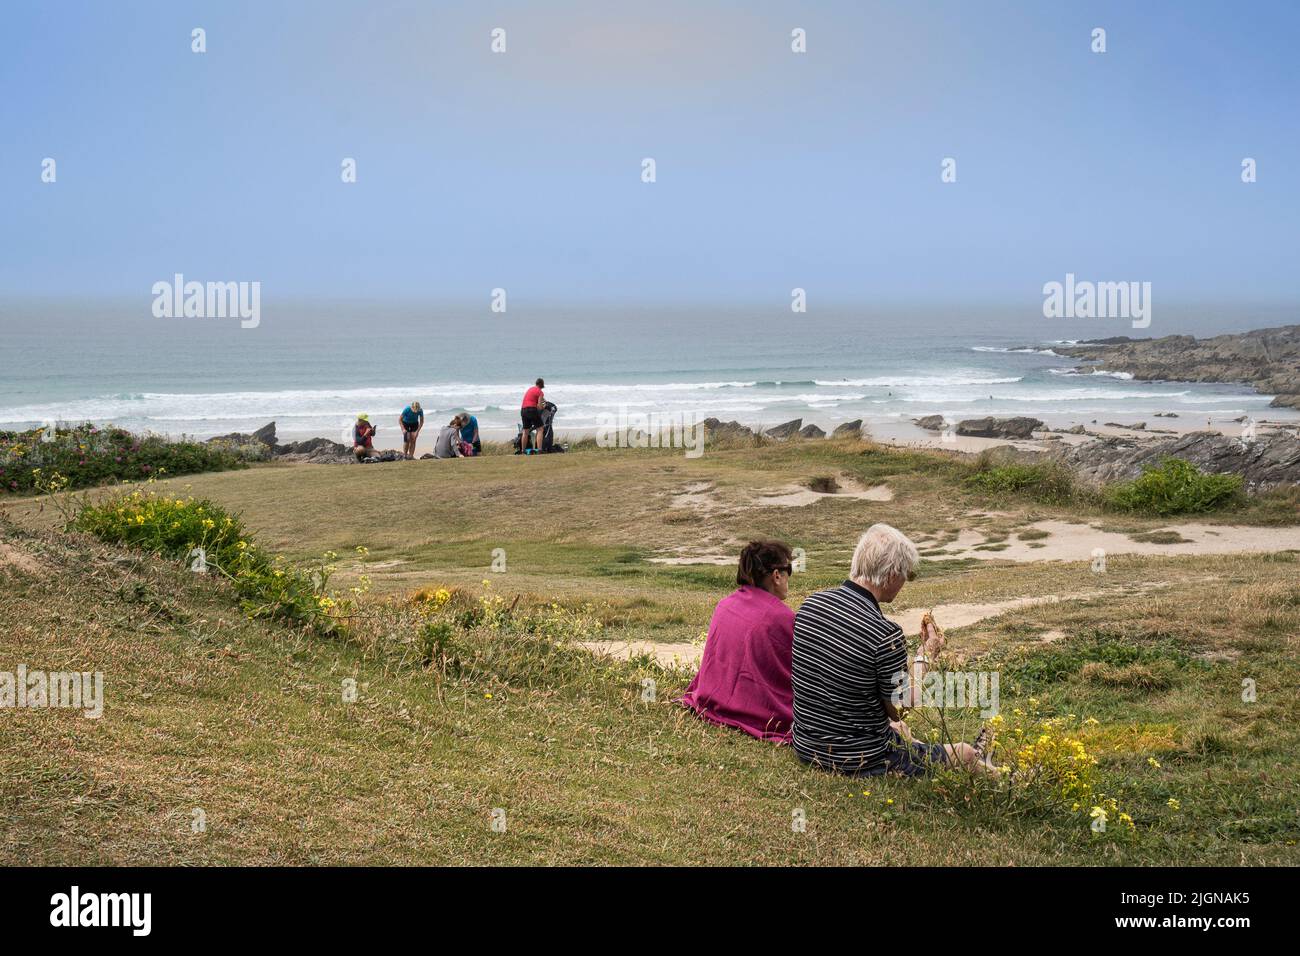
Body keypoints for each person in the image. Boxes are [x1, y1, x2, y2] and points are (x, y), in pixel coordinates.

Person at [792, 523, 993, 777]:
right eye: (906, 575)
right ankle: (1008, 778)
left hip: (807, 744)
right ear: (890, 575)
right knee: (964, 753)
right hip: (858, 757)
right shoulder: (885, 633)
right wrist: (925, 654)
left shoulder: (811, 605)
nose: (904, 582)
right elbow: (899, 707)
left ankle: (930, 750)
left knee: (899, 729)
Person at [679, 541, 797, 742]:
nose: (789, 579)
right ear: (777, 576)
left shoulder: (726, 604)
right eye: (789, 572)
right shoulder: (781, 617)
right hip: (764, 713)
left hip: (712, 698)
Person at [520, 378, 545, 454]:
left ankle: (523, 450)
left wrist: (543, 401)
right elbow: (539, 406)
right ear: (542, 385)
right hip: (532, 410)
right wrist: (543, 406)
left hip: (523, 410)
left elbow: (534, 399)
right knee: (540, 429)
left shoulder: (531, 389)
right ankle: (540, 449)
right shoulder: (540, 392)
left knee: (525, 431)